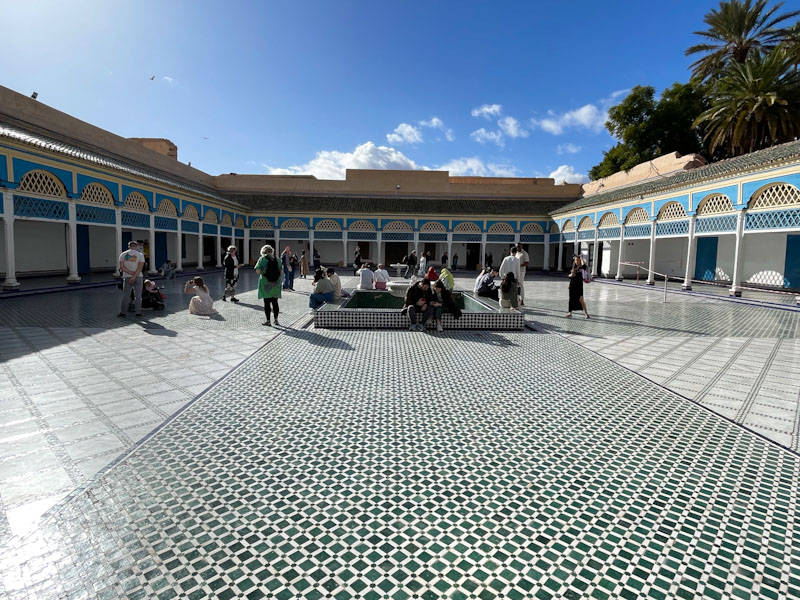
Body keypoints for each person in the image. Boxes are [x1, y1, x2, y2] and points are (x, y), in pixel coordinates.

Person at [256, 244, 284, 326]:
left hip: (266, 284)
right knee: (275, 302)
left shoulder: (262, 259)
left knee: (267, 303)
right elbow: (281, 271)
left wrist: (264, 273)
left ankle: (268, 321)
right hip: (276, 284)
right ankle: (276, 320)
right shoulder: (277, 259)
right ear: (272, 251)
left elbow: (257, 271)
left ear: (263, 251)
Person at [118, 241, 145, 317]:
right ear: (136, 246)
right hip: (138, 276)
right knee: (138, 296)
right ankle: (138, 313)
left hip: (127, 276)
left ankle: (123, 313)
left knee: (126, 295)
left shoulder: (123, 254)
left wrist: (130, 273)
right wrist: (134, 276)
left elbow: (122, 267)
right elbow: (140, 267)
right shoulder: (140, 255)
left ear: (129, 246)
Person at [566, 254, 591, 319]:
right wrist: (571, 275)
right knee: (571, 299)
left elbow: (584, 266)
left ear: (580, 261)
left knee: (581, 299)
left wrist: (581, 258)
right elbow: (569, 276)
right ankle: (569, 313)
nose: (576, 261)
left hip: (579, 286)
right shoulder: (574, 267)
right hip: (572, 285)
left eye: (578, 260)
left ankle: (586, 313)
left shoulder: (582, 268)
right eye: (575, 260)